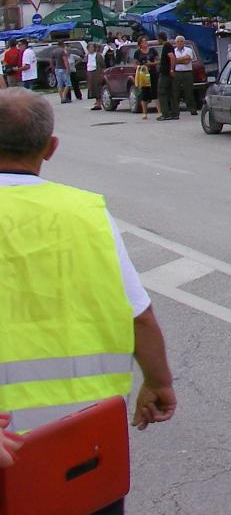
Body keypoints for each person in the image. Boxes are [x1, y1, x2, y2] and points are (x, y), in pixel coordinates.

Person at [0, 90, 177, 479]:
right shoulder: (86, 213)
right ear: (50, 148)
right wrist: (158, 380)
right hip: (87, 443)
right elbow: (140, 317)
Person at [166, 34, 197, 119]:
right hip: (177, 73)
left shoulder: (188, 50)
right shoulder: (173, 51)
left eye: (181, 41)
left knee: (189, 91)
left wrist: (177, 60)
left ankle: (192, 109)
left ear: (184, 42)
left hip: (187, 72)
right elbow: (172, 61)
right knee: (175, 92)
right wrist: (180, 60)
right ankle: (175, 111)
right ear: (175, 43)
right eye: (178, 42)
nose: (180, 43)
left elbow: (187, 60)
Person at [130, 36, 156, 117]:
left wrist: (151, 64)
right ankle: (145, 113)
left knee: (155, 92)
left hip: (152, 72)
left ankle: (159, 111)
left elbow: (158, 60)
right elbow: (134, 63)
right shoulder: (137, 52)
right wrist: (140, 67)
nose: (145, 43)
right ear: (140, 43)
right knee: (144, 93)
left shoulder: (152, 50)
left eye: (146, 41)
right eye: (143, 41)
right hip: (143, 75)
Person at [87, 41, 106, 109]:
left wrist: (102, 74)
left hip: (97, 73)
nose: (91, 49)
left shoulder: (98, 55)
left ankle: (99, 103)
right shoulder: (87, 56)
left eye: (92, 47)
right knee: (92, 88)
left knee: (97, 87)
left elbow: (102, 65)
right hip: (90, 73)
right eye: (89, 48)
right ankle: (97, 102)